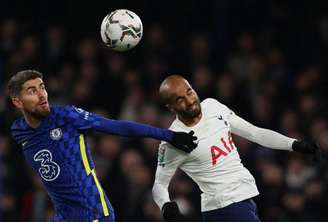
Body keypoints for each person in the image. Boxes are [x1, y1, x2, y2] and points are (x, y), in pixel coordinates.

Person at [7, 70, 198, 222]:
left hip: (92, 212)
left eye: (42, 87)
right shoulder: (19, 131)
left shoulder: (65, 117)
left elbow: (117, 127)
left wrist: (168, 135)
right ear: (17, 102)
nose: (42, 95)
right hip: (64, 216)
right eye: (32, 91)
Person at [152, 75, 321, 222]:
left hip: (244, 199)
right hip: (224, 207)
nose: (189, 101)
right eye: (180, 99)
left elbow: (254, 133)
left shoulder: (212, 106)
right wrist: (166, 206)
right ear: (170, 107)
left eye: (189, 92)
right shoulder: (174, 140)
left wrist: (295, 144)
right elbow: (159, 184)